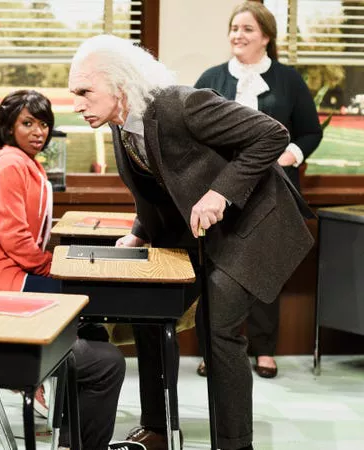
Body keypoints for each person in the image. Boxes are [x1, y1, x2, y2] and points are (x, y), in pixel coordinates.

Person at [68, 35, 315, 450]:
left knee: (217, 329)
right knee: (146, 312)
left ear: (118, 83)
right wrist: (139, 232)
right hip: (200, 234)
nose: (76, 104)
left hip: (250, 226)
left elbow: (272, 135)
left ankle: (235, 444)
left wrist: (220, 193)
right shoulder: (120, 123)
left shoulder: (180, 104)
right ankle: (157, 429)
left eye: (83, 92)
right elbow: (155, 187)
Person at [0, 89, 136, 450]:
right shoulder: (9, 163)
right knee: (86, 308)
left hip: (15, 269)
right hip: (2, 278)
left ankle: (69, 430)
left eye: (43, 124)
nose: (38, 131)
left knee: (92, 324)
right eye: (27, 123)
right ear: (8, 126)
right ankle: (73, 433)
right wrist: (54, 266)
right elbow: (14, 238)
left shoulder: (23, 161)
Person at [193, 0, 323, 379]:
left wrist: (291, 154)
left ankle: (265, 349)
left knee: (265, 270)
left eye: (247, 29)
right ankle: (212, 349)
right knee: (214, 271)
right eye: (235, 28)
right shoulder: (211, 79)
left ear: (266, 36)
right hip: (220, 192)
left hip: (273, 194)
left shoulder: (289, 80)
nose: (238, 35)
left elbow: (310, 131)